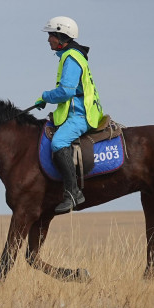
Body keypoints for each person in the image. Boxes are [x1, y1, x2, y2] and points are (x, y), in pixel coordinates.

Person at [34, 16, 106, 213]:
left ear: (61, 36)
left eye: (51, 35)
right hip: (76, 112)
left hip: (81, 115)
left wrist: (45, 96)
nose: (48, 39)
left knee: (58, 142)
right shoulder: (71, 55)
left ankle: (73, 192)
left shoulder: (71, 58)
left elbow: (66, 91)